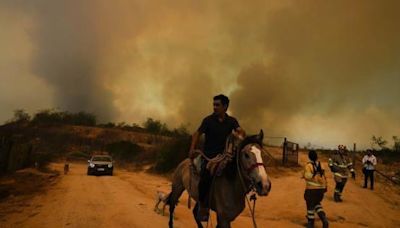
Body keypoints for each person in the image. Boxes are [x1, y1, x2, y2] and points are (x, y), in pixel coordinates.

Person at [189, 94, 245, 221]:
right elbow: (197, 134)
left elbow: (240, 130)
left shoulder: (232, 121)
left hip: (224, 156)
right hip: (208, 158)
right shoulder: (208, 120)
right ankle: (203, 207)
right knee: (205, 179)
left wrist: (240, 134)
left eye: (217, 105)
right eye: (214, 104)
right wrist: (192, 149)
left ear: (225, 107)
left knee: (237, 172)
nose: (214, 107)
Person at [303, 150, 329, 228]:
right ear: (316, 156)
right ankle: (324, 219)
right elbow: (324, 176)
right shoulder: (321, 165)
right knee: (317, 203)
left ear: (309, 157)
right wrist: (326, 186)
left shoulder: (308, 166)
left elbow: (307, 176)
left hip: (311, 189)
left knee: (310, 205)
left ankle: (311, 223)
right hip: (321, 189)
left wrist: (303, 175)